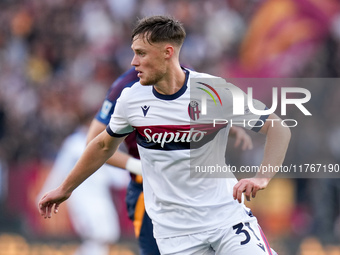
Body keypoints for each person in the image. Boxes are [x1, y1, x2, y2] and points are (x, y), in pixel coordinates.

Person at [38, 15, 291, 255]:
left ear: (167, 52)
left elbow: (278, 127)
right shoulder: (130, 99)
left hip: (226, 220)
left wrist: (262, 177)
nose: (132, 62)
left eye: (141, 53)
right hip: (176, 237)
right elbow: (103, 145)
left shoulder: (213, 91)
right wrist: (65, 188)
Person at [86, 66, 253, 255]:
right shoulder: (125, 88)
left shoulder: (186, 78)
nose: (135, 60)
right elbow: (94, 143)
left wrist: (231, 129)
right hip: (150, 190)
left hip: (190, 188)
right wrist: (141, 167)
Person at [37, 112, 130, 255]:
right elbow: (59, 170)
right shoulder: (74, 143)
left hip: (101, 198)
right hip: (81, 197)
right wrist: (44, 193)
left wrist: (137, 174)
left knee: (108, 237)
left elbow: (116, 177)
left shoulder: (105, 144)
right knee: (98, 237)